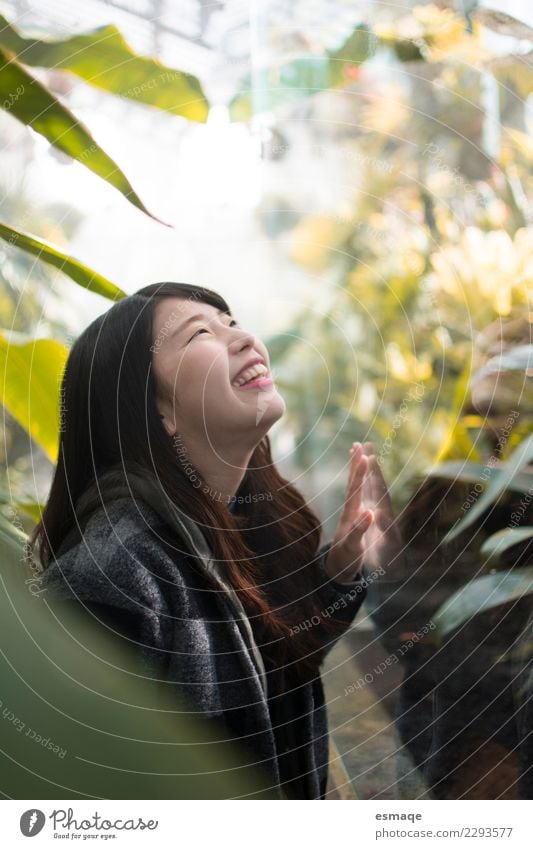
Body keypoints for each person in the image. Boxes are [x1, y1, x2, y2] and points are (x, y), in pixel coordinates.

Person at [30, 281, 403, 799]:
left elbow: (270, 679)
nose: (243, 337)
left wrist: (336, 574)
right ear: (159, 410)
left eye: (231, 320)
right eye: (200, 333)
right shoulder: (111, 579)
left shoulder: (234, 525)